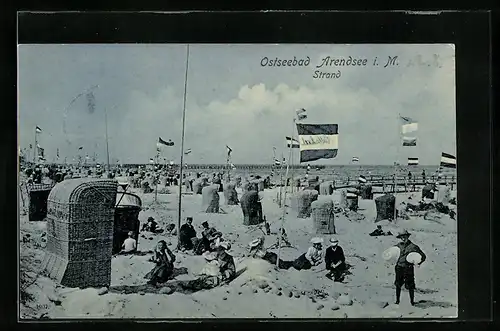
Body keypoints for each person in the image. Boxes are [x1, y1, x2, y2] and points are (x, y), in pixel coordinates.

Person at [393, 230, 427, 306]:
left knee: (410, 285)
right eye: (402, 237)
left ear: (408, 236)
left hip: (408, 268)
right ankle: (397, 301)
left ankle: (412, 302)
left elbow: (423, 256)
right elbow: (392, 254)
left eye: (404, 236)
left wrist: (418, 262)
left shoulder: (413, 246)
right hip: (399, 267)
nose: (403, 238)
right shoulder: (398, 246)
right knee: (398, 284)